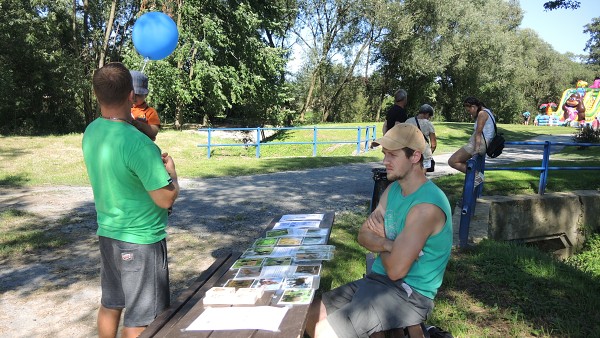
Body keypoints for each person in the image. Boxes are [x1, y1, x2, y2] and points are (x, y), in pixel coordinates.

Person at [306, 123, 453, 338]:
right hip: (378, 280)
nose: (385, 161)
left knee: (324, 332)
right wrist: (388, 243)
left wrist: (381, 237)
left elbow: (396, 271)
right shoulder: (394, 190)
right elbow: (363, 235)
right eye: (385, 154)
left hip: (408, 295)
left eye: (392, 155)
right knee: (311, 313)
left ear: (415, 157)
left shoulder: (426, 207)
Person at [82, 62, 180, 338]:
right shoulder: (140, 144)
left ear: (97, 95)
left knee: (111, 304)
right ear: (130, 95)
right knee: (140, 319)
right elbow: (165, 198)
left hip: (109, 233)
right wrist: (172, 174)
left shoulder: (91, 132)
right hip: (141, 241)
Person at [448, 97, 496, 185]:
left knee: (452, 161)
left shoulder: (482, 114)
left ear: (473, 107)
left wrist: (476, 150)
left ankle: (477, 177)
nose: (469, 113)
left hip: (479, 144)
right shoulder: (487, 111)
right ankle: (476, 177)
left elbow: (478, 133)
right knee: (458, 161)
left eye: (469, 110)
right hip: (482, 143)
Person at [405, 104, 437, 173]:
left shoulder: (408, 122)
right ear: (427, 114)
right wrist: (429, 153)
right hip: (425, 154)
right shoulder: (429, 124)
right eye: (429, 116)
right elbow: (433, 144)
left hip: (411, 153)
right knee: (422, 177)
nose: (429, 118)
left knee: (410, 174)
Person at [130, 70, 161, 141]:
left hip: (143, 145)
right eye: (132, 94)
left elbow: (154, 131)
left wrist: (140, 125)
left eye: (138, 95)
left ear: (146, 95)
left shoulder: (150, 112)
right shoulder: (124, 108)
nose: (134, 97)